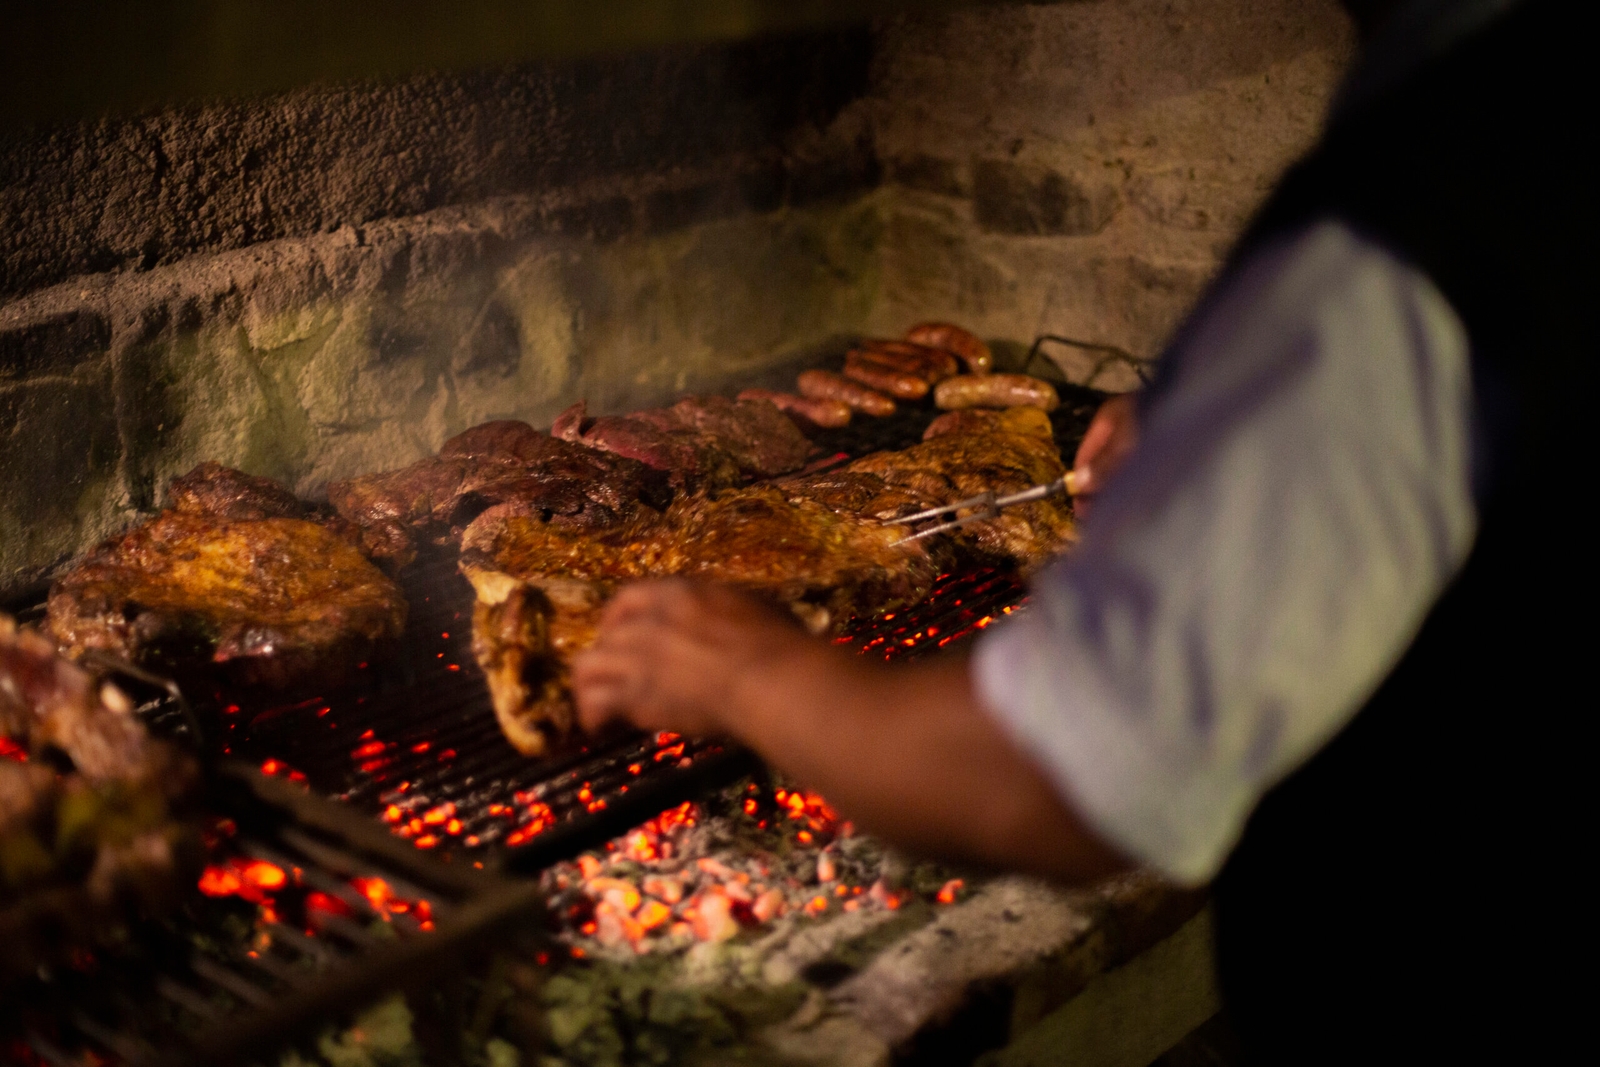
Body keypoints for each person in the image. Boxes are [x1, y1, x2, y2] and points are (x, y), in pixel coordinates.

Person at [573, 0, 1588, 1059]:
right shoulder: (1523, 112)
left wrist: (745, 673)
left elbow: (1050, 777)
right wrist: (1224, 430)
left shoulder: (1432, 198)